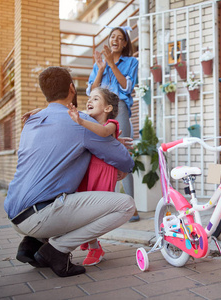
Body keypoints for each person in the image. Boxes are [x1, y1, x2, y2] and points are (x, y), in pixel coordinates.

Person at [4, 66, 135, 278]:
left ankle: (33, 243)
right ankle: (56, 250)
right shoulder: (83, 124)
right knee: (126, 205)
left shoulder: (32, 121)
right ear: (72, 89)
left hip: (14, 213)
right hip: (42, 215)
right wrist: (118, 152)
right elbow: (124, 160)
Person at [87, 26, 140, 222]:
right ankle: (109, 207)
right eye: (112, 37)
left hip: (120, 109)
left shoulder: (132, 62)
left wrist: (112, 63)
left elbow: (127, 86)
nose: (115, 40)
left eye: (119, 38)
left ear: (125, 43)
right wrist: (101, 68)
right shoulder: (99, 64)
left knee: (123, 154)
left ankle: (131, 207)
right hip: (101, 112)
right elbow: (93, 91)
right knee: (102, 157)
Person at [67, 87, 121, 266]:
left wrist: (80, 121)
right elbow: (61, 112)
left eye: (96, 99)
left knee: (95, 212)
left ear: (107, 108)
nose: (89, 101)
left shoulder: (111, 124)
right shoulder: (86, 119)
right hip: (87, 171)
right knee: (83, 209)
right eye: (89, 98)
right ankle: (91, 242)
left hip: (103, 172)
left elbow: (104, 133)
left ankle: (94, 246)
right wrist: (39, 112)